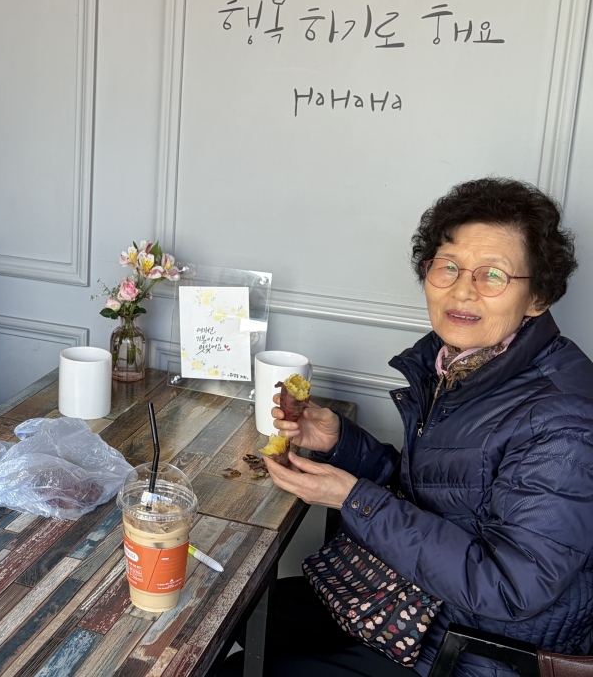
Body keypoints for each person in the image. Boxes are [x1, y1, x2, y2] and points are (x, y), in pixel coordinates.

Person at [220, 177, 593, 677]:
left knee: (236, 663)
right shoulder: (458, 365)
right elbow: (440, 495)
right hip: (418, 602)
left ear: (537, 296)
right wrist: (341, 442)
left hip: (469, 649)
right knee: (242, 612)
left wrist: (354, 500)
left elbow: (511, 587)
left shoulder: (563, 419)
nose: (462, 289)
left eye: (493, 275)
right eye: (448, 266)